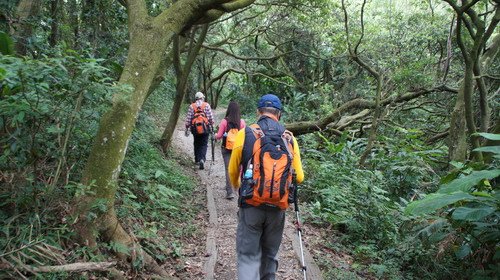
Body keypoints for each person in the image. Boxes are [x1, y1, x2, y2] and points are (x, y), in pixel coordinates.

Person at [228, 93, 304, 280]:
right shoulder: (289, 138)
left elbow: (232, 170)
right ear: (279, 114)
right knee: (270, 255)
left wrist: (239, 186)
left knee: (248, 254)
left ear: (258, 112)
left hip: (251, 203)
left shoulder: (245, 133)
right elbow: (299, 177)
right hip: (278, 206)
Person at [215, 101, 246, 199]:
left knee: (228, 169)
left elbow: (219, 136)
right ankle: (239, 188)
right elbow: (245, 136)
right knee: (239, 168)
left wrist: (215, 136)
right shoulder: (242, 122)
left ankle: (230, 192)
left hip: (226, 148)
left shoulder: (224, 122)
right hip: (238, 149)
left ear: (228, 109)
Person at [184, 91, 214, 170]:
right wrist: (212, 126)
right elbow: (210, 118)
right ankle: (202, 159)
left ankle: (197, 159)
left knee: (196, 143)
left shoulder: (192, 106)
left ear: (196, 98)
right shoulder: (206, 105)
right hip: (205, 128)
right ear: (202, 98)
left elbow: (188, 119)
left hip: (195, 128)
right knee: (204, 144)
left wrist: (187, 127)